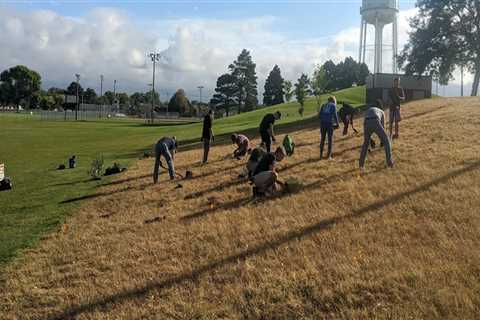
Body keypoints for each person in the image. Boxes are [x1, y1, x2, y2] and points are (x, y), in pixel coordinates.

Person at [359, 100, 394, 170]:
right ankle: (389, 163)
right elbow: (382, 127)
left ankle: (361, 165)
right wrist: (382, 141)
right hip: (375, 120)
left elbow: (365, 122)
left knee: (365, 144)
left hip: (366, 122)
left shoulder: (369, 109)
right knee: (387, 141)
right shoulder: (381, 112)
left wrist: (370, 139)